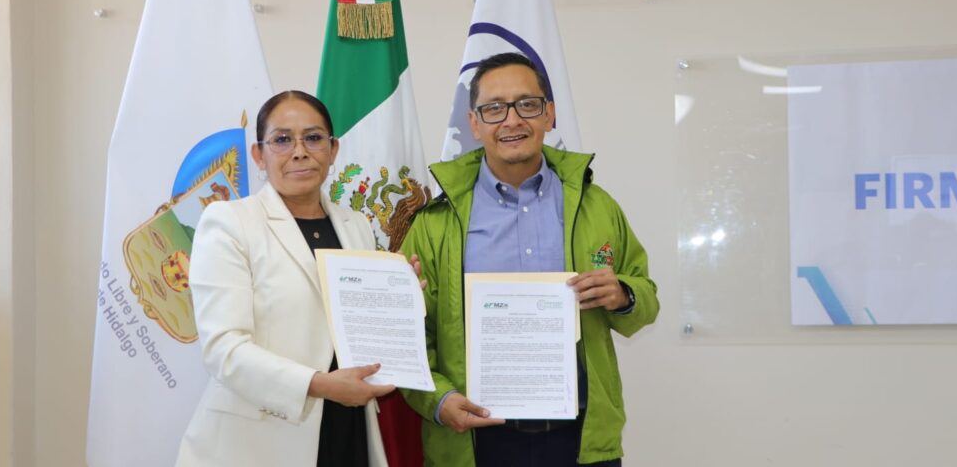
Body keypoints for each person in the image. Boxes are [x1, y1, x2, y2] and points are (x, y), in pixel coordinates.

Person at [400, 53, 659, 466]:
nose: (512, 120)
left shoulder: (596, 206)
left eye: (527, 104)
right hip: (475, 441)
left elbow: (645, 300)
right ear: (474, 123)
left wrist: (624, 295)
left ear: (549, 114)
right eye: (494, 108)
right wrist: (439, 400)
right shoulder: (436, 221)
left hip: (580, 441)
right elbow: (408, 333)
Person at [175, 91, 397, 467]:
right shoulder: (230, 222)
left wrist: (397, 299)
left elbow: (353, 326)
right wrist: (319, 385)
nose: (299, 152)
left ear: (333, 149)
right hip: (258, 441)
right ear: (258, 155)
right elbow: (224, 350)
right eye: (282, 139)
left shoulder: (355, 225)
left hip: (346, 427)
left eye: (313, 138)